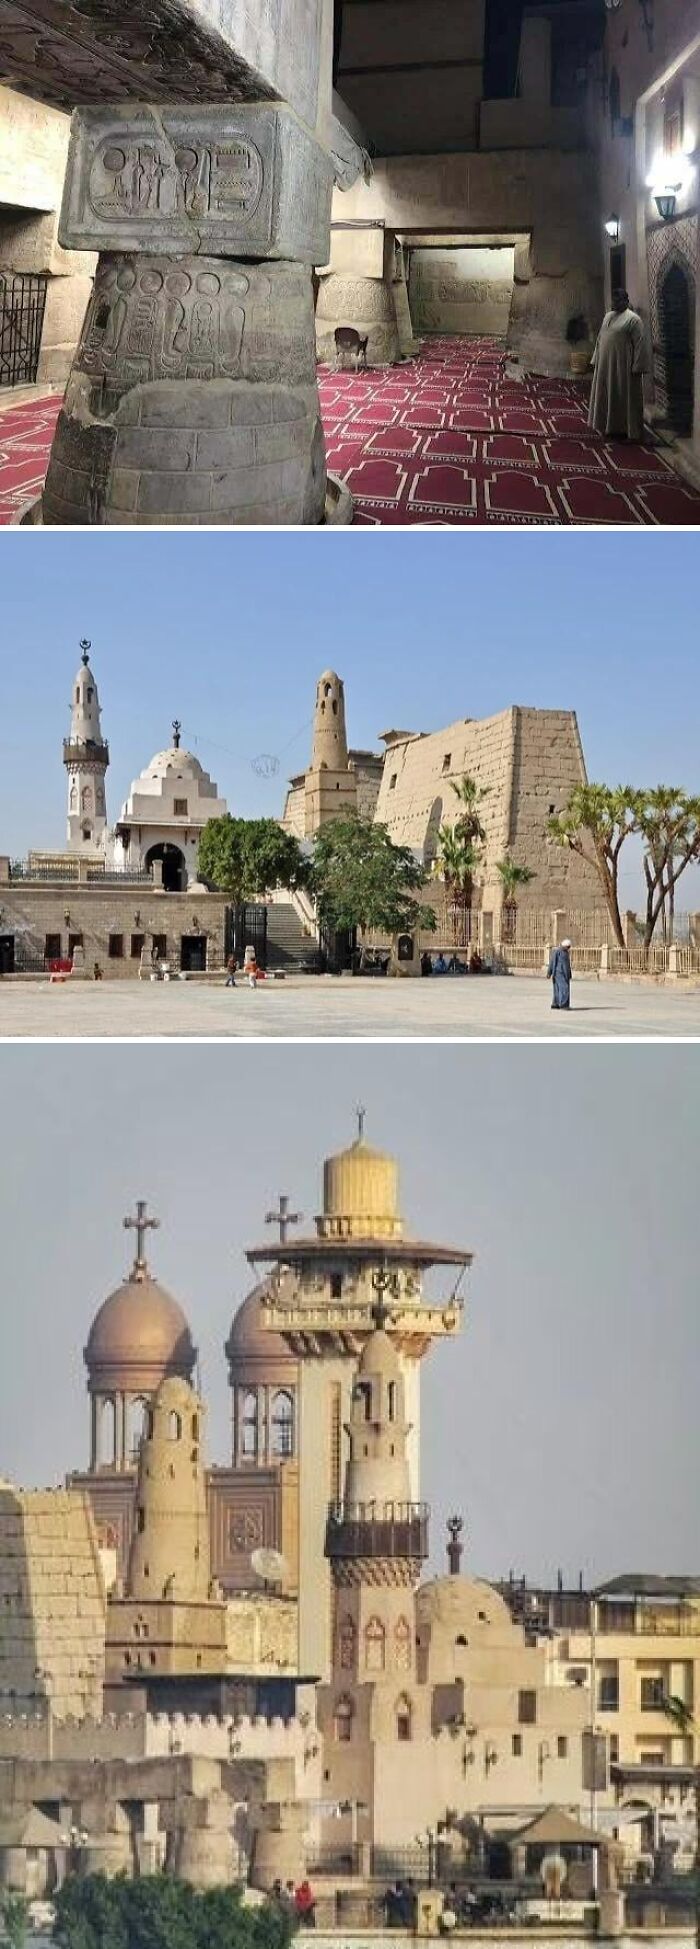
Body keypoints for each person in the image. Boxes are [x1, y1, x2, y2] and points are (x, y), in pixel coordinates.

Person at [588, 289, 648, 440]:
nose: (614, 304)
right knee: (605, 394)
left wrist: (637, 366)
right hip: (604, 365)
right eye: (613, 301)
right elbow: (600, 338)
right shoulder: (608, 316)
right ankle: (608, 427)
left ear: (625, 301)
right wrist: (596, 359)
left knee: (623, 396)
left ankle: (626, 430)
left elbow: (640, 344)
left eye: (618, 301)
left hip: (623, 366)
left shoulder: (633, 319)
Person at [547, 938, 572, 1011]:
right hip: (558, 973)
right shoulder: (557, 951)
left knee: (558, 989)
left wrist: (569, 974)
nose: (568, 948)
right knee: (563, 988)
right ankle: (563, 1005)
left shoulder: (565, 952)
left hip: (564, 973)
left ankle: (556, 1004)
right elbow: (552, 962)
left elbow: (567, 965)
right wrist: (549, 972)